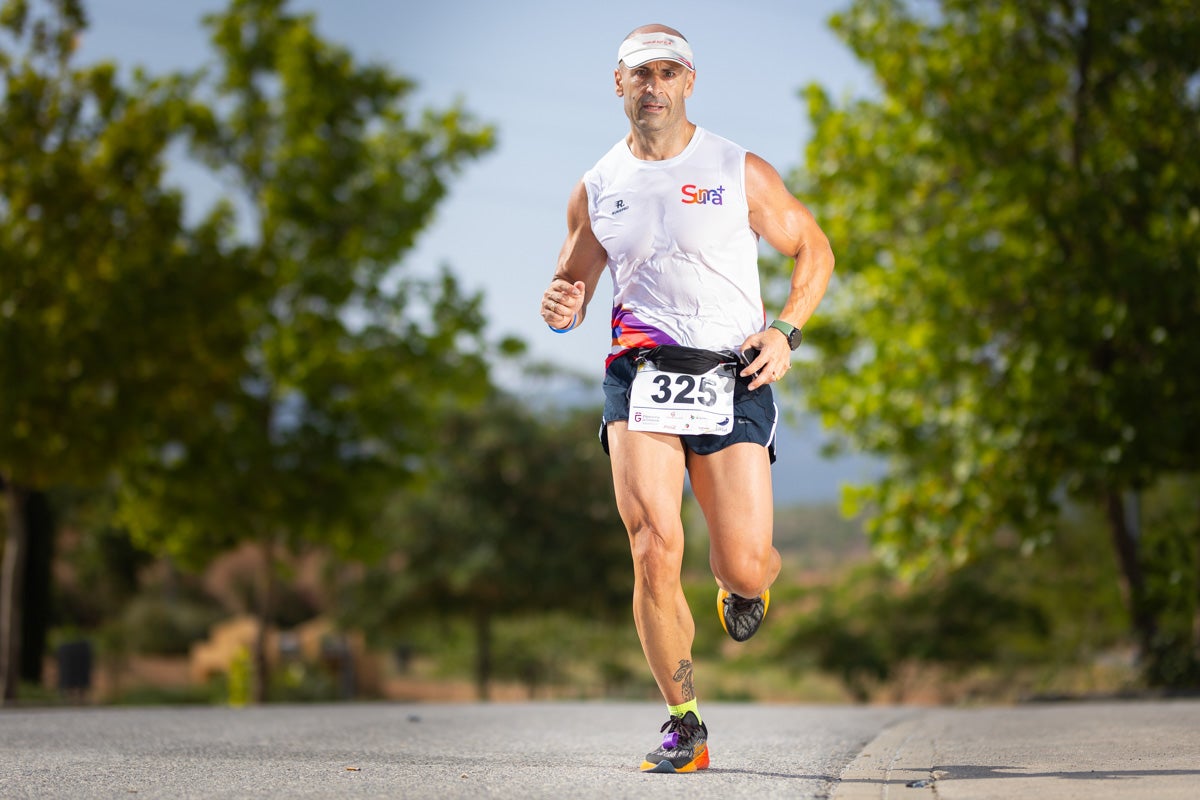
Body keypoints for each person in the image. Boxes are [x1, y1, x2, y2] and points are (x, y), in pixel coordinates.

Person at [540, 24, 834, 774]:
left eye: (667, 73)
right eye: (641, 74)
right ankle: (685, 726)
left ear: (688, 82)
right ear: (619, 84)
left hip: (732, 374)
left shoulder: (737, 169)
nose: (653, 87)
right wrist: (563, 302)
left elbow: (812, 246)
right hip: (638, 376)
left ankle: (743, 586)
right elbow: (574, 279)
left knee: (742, 563)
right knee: (652, 546)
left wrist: (787, 330)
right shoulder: (597, 184)